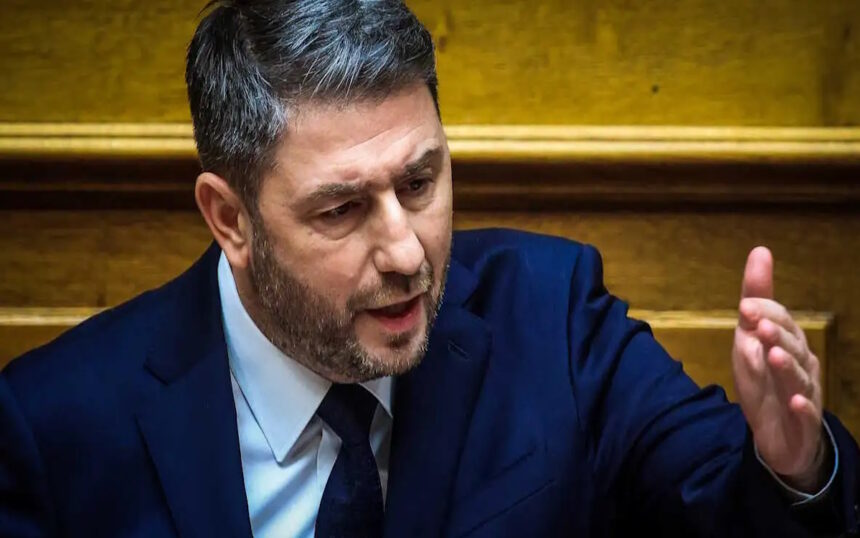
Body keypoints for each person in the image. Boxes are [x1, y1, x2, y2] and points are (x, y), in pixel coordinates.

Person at [1, 0, 858, 536]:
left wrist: (794, 466)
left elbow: (722, 503)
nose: (408, 252)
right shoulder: (53, 426)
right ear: (231, 218)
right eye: (341, 210)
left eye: (420, 183)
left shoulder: (552, 316)